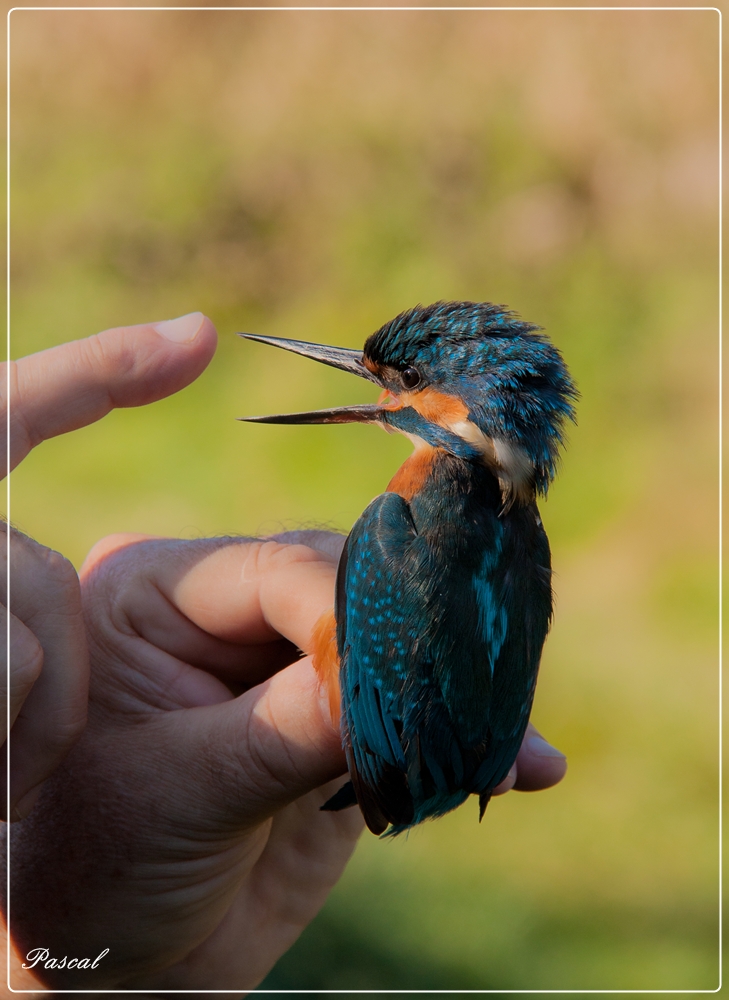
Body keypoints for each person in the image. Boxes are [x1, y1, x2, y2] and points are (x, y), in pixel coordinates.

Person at [1, 313, 567, 992]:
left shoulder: (402, 522)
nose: (382, 387)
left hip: (398, 768)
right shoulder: (523, 537)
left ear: (474, 409)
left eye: (405, 380)